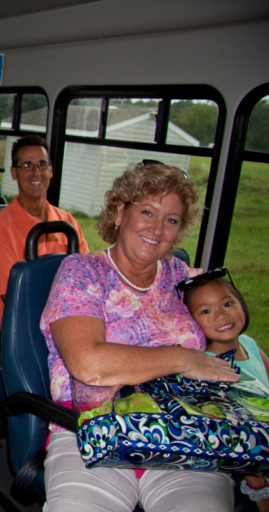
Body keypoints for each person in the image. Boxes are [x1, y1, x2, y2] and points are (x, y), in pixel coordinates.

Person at [40, 162, 239, 511]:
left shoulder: (186, 280)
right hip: (92, 431)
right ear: (121, 213)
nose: (157, 228)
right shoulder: (82, 272)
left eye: (171, 220)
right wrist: (181, 358)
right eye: (147, 211)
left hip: (185, 434)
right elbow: (89, 364)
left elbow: (234, 335)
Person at [0, 135, 89, 329]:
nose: (36, 172)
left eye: (42, 164)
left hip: (68, 316)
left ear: (51, 171)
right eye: (27, 165)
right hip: (24, 323)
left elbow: (87, 277)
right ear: (14, 173)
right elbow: (13, 296)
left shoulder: (68, 222)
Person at [183, 270, 269, 510]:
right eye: (206, 311)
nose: (221, 315)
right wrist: (259, 488)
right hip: (249, 462)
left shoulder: (249, 344)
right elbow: (232, 438)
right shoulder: (207, 368)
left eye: (228, 304)